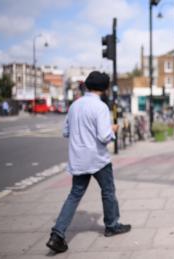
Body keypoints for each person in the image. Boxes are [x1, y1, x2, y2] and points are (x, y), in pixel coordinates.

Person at [46, 71, 131, 253]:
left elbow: (66, 132)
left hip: (78, 159)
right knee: (108, 191)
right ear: (104, 88)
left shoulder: (75, 106)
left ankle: (57, 234)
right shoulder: (99, 107)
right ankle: (111, 225)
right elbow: (104, 136)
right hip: (98, 159)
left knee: (74, 195)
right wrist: (113, 129)